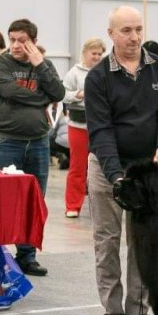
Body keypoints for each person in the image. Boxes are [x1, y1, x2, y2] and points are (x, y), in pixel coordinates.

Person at [85, 5, 158, 315]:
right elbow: (101, 132)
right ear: (111, 34)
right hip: (108, 168)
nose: (135, 37)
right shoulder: (97, 78)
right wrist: (116, 177)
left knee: (143, 244)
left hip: (147, 172)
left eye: (139, 29)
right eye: (126, 30)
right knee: (107, 243)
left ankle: (138, 314)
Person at [0, 18, 65, 277]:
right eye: (12, 40)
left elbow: (59, 92)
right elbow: (9, 92)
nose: (16, 45)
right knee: (0, 201)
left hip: (38, 142)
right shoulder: (1, 63)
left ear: (33, 41)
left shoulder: (44, 65)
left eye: (22, 40)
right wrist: (42, 98)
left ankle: (27, 255)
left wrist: (39, 65)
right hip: (5, 140)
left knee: (34, 200)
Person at [61, 37, 106, 218]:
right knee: (77, 166)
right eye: (93, 53)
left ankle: (102, 206)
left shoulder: (105, 72)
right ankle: (73, 205)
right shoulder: (74, 73)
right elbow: (63, 94)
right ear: (85, 53)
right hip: (78, 125)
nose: (96, 57)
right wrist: (78, 94)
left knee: (102, 167)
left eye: (99, 54)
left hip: (101, 126)